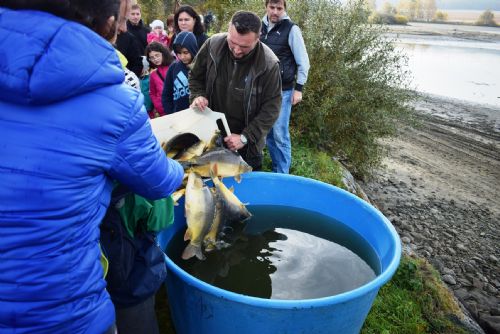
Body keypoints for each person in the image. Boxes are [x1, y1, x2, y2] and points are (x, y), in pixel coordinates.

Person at [0, 1, 184, 333]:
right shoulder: (114, 100)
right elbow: (158, 181)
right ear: (109, 24)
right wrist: (180, 168)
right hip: (62, 313)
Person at [189, 11, 282, 170]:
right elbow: (195, 76)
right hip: (211, 135)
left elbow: (272, 108)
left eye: (245, 46)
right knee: (210, 185)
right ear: (228, 29)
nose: (237, 50)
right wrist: (198, 96)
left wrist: (246, 137)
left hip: (247, 145)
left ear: (258, 38)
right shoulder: (212, 45)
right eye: (232, 42)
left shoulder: (269, 64)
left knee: (245, 191)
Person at [261, 0, 310, 174]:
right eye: (272, 7)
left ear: (284, 9)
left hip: (284, 91)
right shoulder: (259, 27)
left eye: (279, 8)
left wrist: (299, 89)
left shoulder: (292, 29)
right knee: (264, 132)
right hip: (261, 91)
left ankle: (282, 174)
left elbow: (303, 62)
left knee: (280, 135)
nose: (275, 12)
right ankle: (270, 169)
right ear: (266, 6)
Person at [162, 31, 199, 114]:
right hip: (179, 116)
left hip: (199, 114)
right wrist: (171, 114)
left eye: (186, 52)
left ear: (193, 49)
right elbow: (166, 94)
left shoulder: (201, 67)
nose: (182, 56)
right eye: (179, 53)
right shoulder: (173, 68)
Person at [146, 42, 175, 117]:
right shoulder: (153, 74)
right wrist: (158, 105)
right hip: (164, 111)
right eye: (152, 57)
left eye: (157, 55)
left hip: (177, 106)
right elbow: (152, 93)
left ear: (163, 53)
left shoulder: (174, 67)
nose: (155, 59)